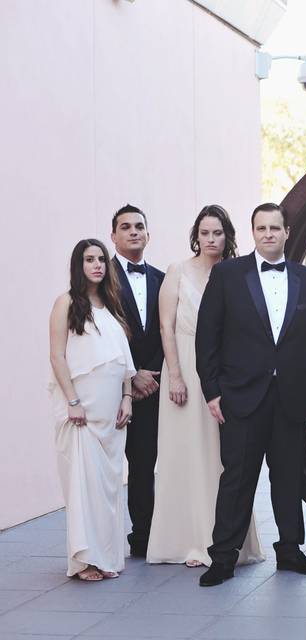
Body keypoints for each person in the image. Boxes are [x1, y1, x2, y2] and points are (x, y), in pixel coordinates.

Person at [194, 202, 306, 587]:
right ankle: (222, 557)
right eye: (261, 228)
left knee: (289, 478)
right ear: (253, 232)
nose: (269, 234)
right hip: (240, 396)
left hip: (293, 396)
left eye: (275, 227)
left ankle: (290, 551)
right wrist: (211, 392)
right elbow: (207, 337)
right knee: (237, 478)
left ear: (287, 231)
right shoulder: (227, 274)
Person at [147, 206, 264, 567]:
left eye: (218, 233)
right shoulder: (177, 272)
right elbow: (166, 327)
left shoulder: (238, 273)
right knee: (182, 452)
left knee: (221, 456)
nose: (211, 240)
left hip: (225, 372)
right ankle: (185, 541)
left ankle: (221, 540)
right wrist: (177, 375)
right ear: (195, 236)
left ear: (228, 235)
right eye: (205, 233)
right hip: (183, 365)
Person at [49, 239, 135, 581]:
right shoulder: (66, 303)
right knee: (83, 484)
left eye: (101, 259)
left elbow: (124, 360)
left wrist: (128, 397)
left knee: (110, 485)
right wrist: (72, 401)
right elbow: (57, 355)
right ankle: (84, 560)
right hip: (81, 409)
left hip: (112, 412)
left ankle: (106, 557)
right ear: (78, 265)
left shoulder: (111, 306)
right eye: (89, 259)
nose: (97, 265)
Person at [110, 204, 164, 557]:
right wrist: (133, 374)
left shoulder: (162, 278)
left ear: (147, 234)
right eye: (125, 227)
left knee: (147, 463)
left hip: (157, 385)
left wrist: (152, 371)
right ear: (113, 236)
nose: (133, 232)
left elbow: (168, 331)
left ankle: (146, 537)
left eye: (139, 226)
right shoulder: (102, 278)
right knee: (112, 466)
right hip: (114, 387)